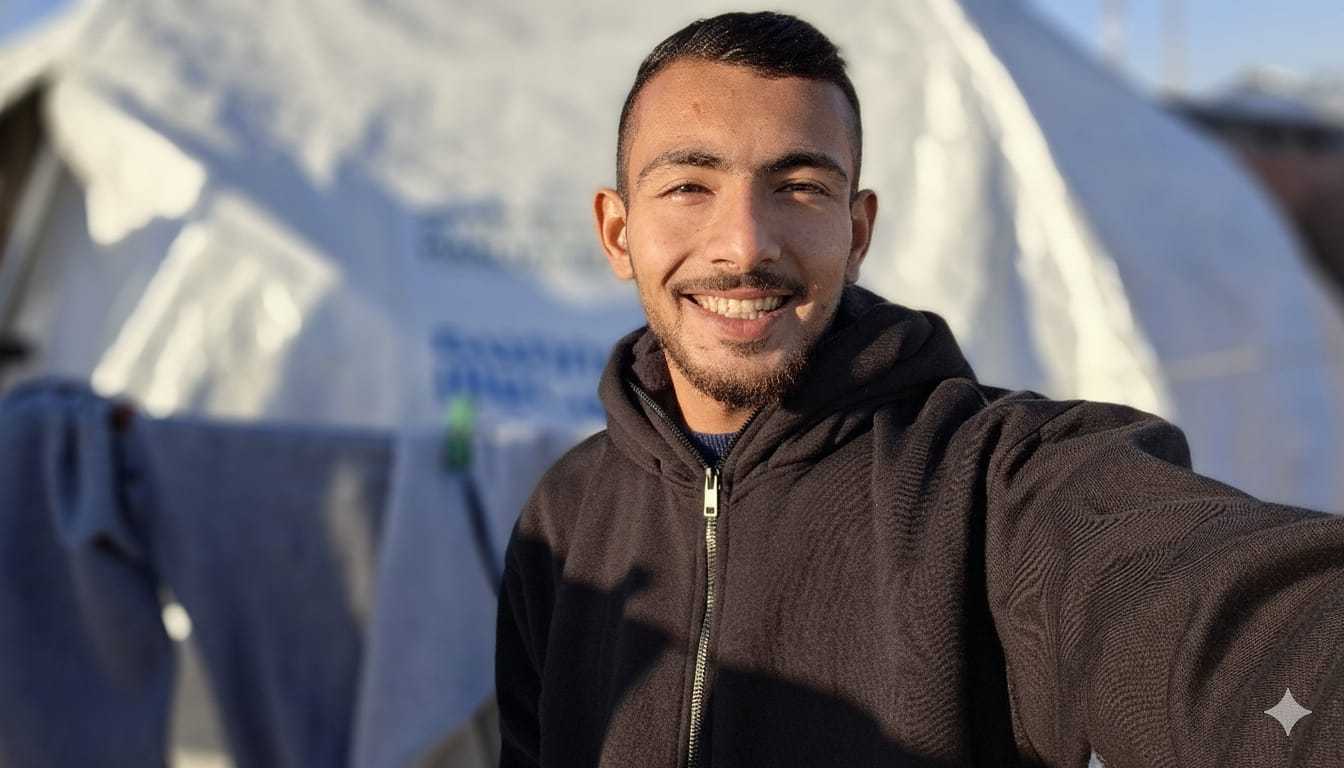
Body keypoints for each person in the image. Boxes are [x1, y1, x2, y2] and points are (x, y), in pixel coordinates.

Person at [495, 11, 1344, 767]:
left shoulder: (991, 484)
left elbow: (1206, 612)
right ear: (618, 231)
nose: (744, 244)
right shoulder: (565, 520)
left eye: (799, 188)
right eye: (690, 186)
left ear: (858, 231)